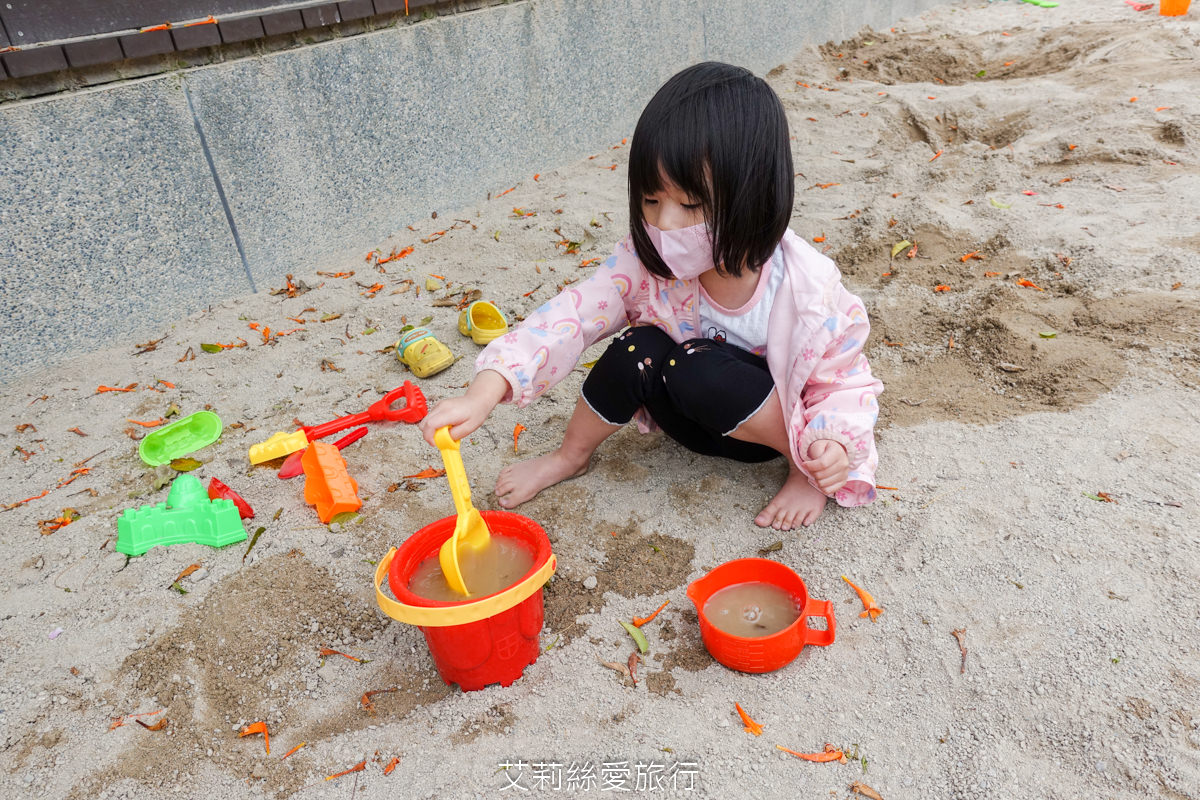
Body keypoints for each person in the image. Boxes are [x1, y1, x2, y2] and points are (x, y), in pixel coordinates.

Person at [419, 62, 882, 530]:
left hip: (766, 435)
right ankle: (570, 456)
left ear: (754, 196)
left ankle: (803, 473)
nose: (664, 225)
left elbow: (845, 383)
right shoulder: (645, 264)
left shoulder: (806, 291)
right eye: (650, 200)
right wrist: (484, 390)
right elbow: (572, 315)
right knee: (636, 348)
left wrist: (832, 447)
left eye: (691, 205)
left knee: (697, 362)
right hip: (685, 417)